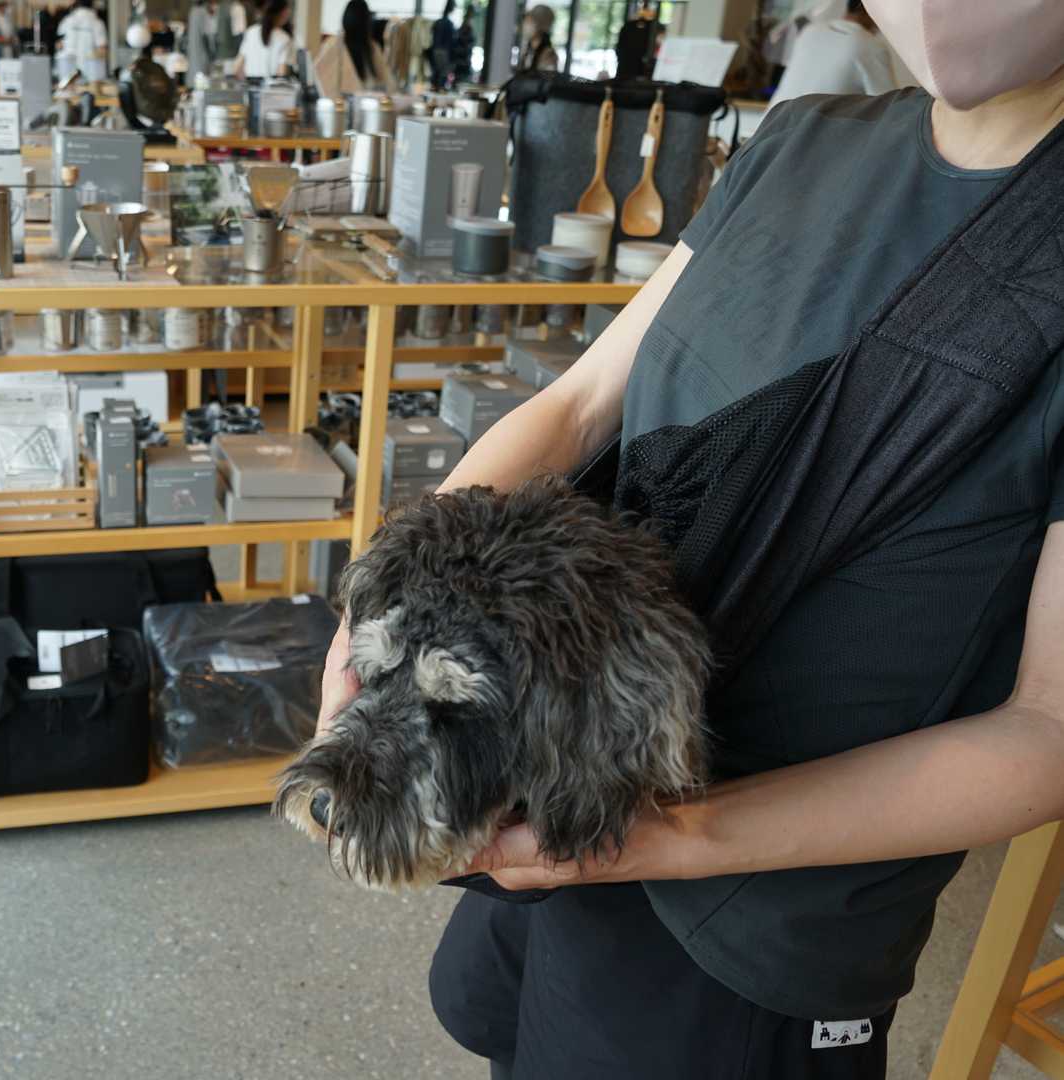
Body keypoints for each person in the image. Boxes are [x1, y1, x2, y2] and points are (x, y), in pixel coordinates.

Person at [313, 1, 1064, 1076]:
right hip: (569, 767)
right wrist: (377, 611)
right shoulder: (805, 142)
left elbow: (1048, 732)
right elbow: (579, 406)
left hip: (754, 912)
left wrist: (673, 837)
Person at [769, 0, 898, 106]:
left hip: (768, 124)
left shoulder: (810, 31)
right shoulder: (870, 45)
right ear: (874, 12)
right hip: (811, 128)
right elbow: (891, 106)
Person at [312, 0, 388, 100]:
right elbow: (387, 84)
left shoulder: (333, 44)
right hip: (368, 104)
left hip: (338, 105)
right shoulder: (372, 48)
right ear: (367, 22)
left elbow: (316, 74)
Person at [233, 0, 290, 78]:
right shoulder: (284, 38)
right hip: (272, 85)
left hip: (249, 84)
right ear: (283, 13)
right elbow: (281, 73)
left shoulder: (251, 31)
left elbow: (236, 67)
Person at [56, 0, 106, 81]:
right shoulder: (97, 23)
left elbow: (59, 45)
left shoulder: (66, 21)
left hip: (68, 71)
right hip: (89, 73)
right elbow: (101, 49)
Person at [515, 3, 556, 73]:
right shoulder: (529, 51)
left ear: (539, 25)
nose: (524, 26)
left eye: (529, 21)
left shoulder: (548, 55)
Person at [428, 0, 457, 88]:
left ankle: (436, 88)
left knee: (436, 74)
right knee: (442, 75)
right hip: (444, 52)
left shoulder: (438, 22)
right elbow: (452, 42)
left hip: (435, 50)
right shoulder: (449, 24)